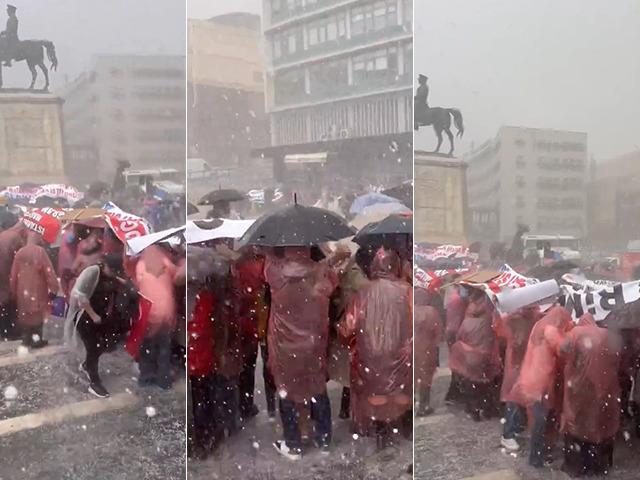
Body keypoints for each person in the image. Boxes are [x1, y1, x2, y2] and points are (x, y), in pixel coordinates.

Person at [264, 246, 337, 460]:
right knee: (317, 388)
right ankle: (324, 439)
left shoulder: (276, 273)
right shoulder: (319, 273)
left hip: (285, 346)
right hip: (313, 344)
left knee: (287, 392)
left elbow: (266, 268)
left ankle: (293, 443)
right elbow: (333, 282)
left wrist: (269, 250)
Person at [342, 248, 412, 449]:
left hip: (370, 355)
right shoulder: (406, 290)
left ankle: (381, 430)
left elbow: (348, 326)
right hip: (399, 353)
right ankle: (401, 425)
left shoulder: (363, 292)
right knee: (398, 389)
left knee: (376, 391)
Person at [510, 306, 573, 468]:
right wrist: (572, 335)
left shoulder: (538, 325)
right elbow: (563, 348)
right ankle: (537, 458)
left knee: (537, 419)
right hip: (541, 382)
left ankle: (538, 454)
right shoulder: (551, 329)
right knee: (541, 421)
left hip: (530, 378)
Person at [558, 314, 621, 477]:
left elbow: (562, 350)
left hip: (580, 387)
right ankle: (599, 466)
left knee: (577, 422)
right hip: (605, 386)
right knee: (600, 423)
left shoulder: (576, 333)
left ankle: (577, 466)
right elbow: (618, 357)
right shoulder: (607, 334)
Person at [67, 254, 135, 398]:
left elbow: (118, 282)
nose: (113, 274)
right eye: (112, 270)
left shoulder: (112, 276)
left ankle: (86, 365)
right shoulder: (92, 272)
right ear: (105, 265)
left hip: (101, 316)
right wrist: (93, 315)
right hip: (85, 316)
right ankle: (94, 382)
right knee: (93, 347)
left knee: (103, 346)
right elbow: (80, 296)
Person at [448, 287, 501, 421]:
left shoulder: (467, 321)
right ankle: (487, 410)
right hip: (487, 357)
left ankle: (474, 411)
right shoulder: (489, 319)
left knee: (472, 383)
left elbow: (459, 336)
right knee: (486, 384)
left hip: (471, 357)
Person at [493, 306, 541, 451]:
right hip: (518, 364)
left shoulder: (516, 318)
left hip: (520, 363)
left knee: (517, 398)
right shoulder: (518, 319)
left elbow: (500, 333)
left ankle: (514, 429)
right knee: (514, 399)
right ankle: (508, 434)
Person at [135, 244, 177, 389]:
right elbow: (176, 276)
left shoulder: (140, 265)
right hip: (166, 310)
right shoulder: (166, 262)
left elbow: (138, 284)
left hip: (149, 311)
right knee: (164, 346)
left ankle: (146, 377)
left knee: (147, 345)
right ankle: (164, 379)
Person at [10, 232, 60, 348]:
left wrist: (13, 290)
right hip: (37, 288)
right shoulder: (40, 252)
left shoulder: (20, 253)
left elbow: (13, 274)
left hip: (22, 289)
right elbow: (49, 272)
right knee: (37, 315)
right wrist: (54, 288)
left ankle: (26, 338)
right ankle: (36, 339)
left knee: (25, 313)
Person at [414, 287, 442, 417]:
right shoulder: (432, 312)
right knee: (426, 379)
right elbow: (438, 333)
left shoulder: (410, 310)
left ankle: (413, 404)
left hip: (412, 348)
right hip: (427, 349)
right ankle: (423, 406)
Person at [0, 221, 27, 339]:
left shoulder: (5, 234)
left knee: (3, 301)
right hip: (7, 273)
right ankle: (9, 332)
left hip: (2, 273)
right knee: (8, 303)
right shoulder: (16, 238)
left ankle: (4, 331)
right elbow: (22, 260)